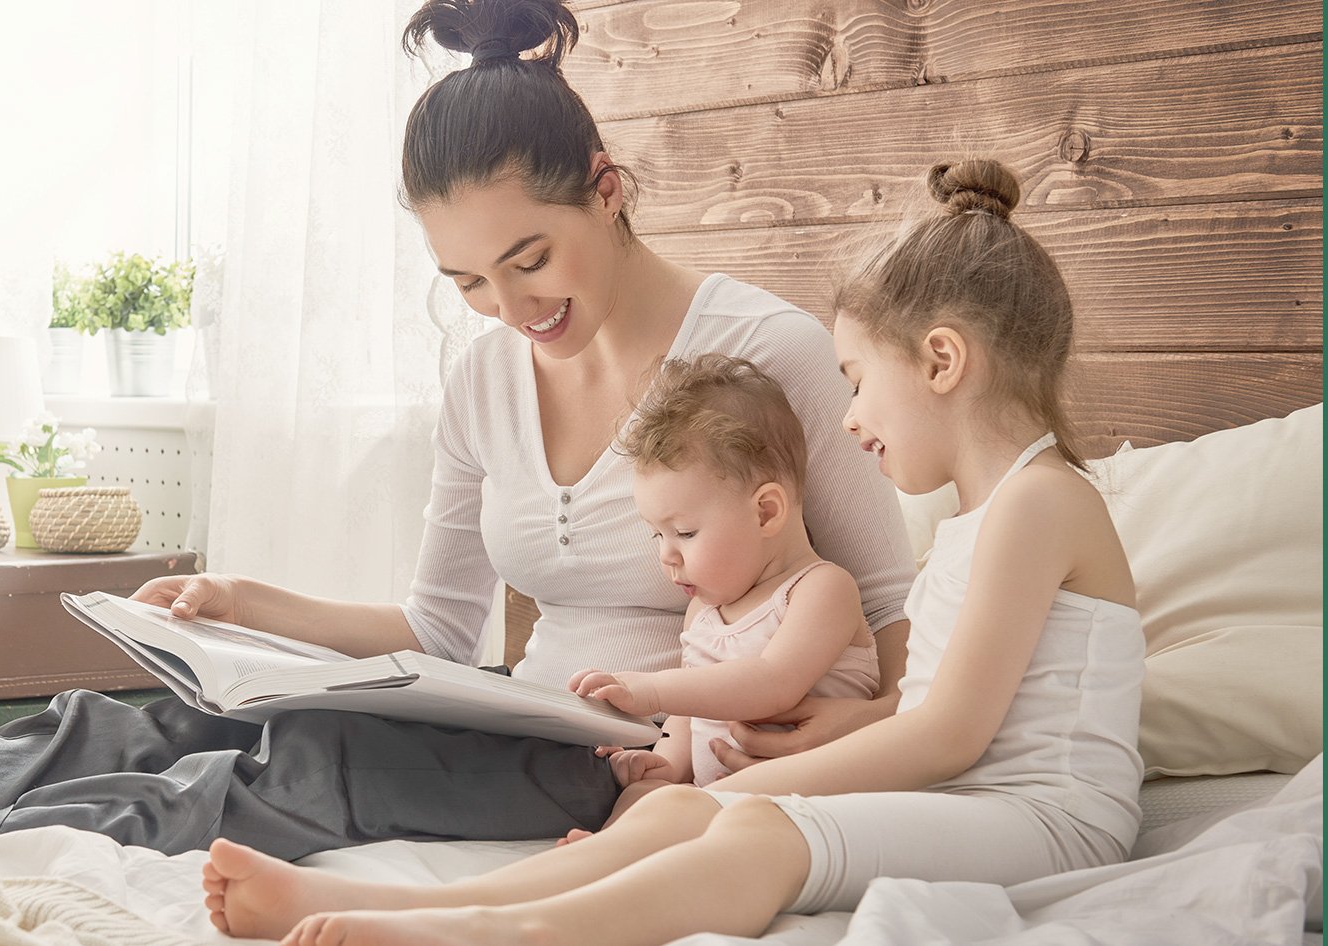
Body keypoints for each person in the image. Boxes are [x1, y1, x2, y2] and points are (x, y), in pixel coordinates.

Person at [0, 0, 916, 858]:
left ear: (605, 192)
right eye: (470, 282)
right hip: (520, 713)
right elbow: (437, 627)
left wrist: (866, 725)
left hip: (634, 759)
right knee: (185, 718)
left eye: (530, 259)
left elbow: (892, 624)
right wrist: (240, 602)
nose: (512, 307)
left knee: (306, 766)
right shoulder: (483, 377)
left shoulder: (767, 355)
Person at [199, 157, 1146, 946]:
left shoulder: (1038, 502)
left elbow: (948, 737)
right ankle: (394, 903)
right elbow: (931, 715)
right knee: (678, 810)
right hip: (976, 800)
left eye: (857, 383)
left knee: (758, 832)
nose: (849, 420)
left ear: (941, 362)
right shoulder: (981, 519)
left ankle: (485, 934)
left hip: (1048, 819)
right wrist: (742, 780)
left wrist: (755, 785)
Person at [569, 353, 876, 807]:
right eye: (657, 535)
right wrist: (666, 764)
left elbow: (772, 685)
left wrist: (649, 688)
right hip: (721, 802)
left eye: (686, 533)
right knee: (645, 797)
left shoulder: (821, 589)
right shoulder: (703, 612)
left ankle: (607, 862)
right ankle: (594, 859)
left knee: (672, 813)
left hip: (813, 805)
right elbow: (690, 715)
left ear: (766, 511)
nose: (666, 556)